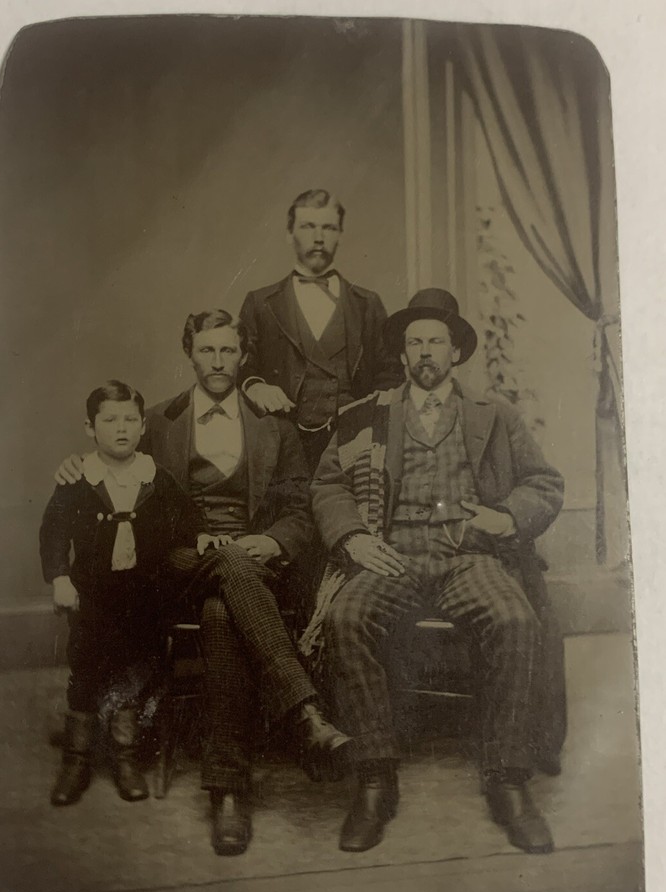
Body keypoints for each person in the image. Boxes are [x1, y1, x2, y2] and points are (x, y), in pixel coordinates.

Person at [53, 311, 350, 856]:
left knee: (221, 611)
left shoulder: (275, 425)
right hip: (175, 561)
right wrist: (75, 465)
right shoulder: (156, 421)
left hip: (253, 562)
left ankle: (228, 791)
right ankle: (305, 713)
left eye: (228, 351)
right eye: (207, 351)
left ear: (243, 357)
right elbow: (109, 458)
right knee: (224, 573)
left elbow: (298, 506)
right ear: (190, 354)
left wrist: (275, 542)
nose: (217, 362)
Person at [305, 288, 566, 855]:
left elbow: (544, 483)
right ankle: (375, 778)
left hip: (467, 554)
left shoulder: (494, 415)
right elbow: (327, 484)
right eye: (415, 343)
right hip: (392, 553)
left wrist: (505, 517)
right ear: (402, 355)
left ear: (456, 352)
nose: (425, 352)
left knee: (516, 621)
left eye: (436, 342)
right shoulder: (368, 415)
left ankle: (507, 778)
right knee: (346, 618)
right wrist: (353, 537)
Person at [40, 380, 206, 807]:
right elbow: (53, 531)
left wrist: (201, 536)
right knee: (86, 670)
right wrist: (60, 578)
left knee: (134, 672)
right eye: (110, 420)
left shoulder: (155, 476)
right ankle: (77, 759)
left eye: (130, 420)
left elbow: (187, 518)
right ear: (90, 427)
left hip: (143, 597)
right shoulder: (79, 478)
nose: (121, 429)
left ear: (143, 426)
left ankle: (124, 756)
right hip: (92, 597)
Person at [239, 189, 404, 471]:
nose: (318, 237)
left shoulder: (367, 304)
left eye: (328, 228)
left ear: (340, 235)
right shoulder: (260, 303)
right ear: (289, 234)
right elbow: (239, 365)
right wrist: (255, 386)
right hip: (281, 446)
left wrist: (365, 422)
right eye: (308, 226)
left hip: (352, 447)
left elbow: (390, 374)